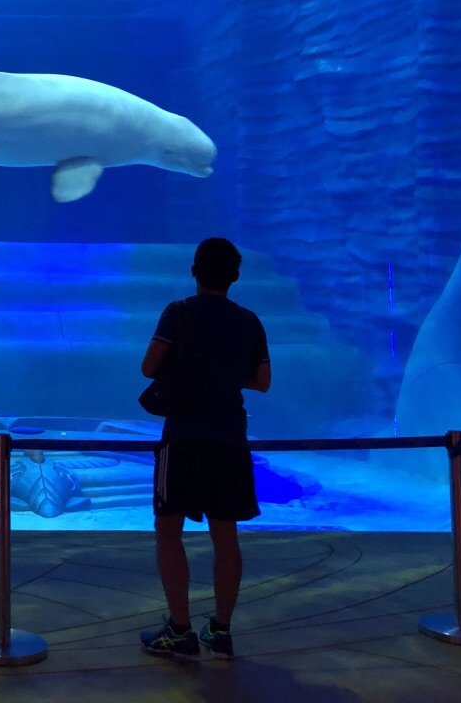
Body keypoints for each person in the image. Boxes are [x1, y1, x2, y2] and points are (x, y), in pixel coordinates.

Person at [137, 237, 270, 661]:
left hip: (184, 437)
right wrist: (225, 377)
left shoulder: (178, 313)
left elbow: (149, 367)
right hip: (230, 438)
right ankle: (221, 630)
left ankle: (180, 629)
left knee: (169, 532)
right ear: (235, 276)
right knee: (226, 537)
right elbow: (262, 380)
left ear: (194, 271)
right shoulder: (249, 321)